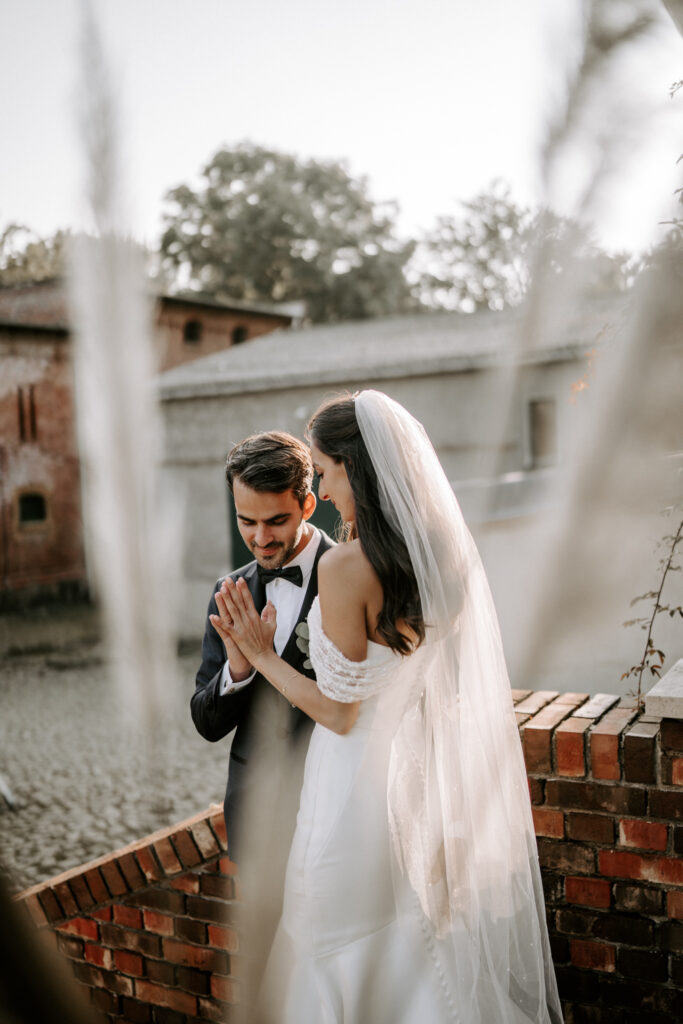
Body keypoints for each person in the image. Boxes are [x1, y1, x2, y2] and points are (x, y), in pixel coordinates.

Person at [217, 392, 563, 1024]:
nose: (321, 487)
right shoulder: (440, 553)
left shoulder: (346, 567)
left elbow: (343, 713)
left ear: (356, 468)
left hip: (347, 782)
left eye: (323, 471)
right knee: (410, 932)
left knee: (337, 934)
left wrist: (263, 657)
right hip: (409, 774)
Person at [190, 430, 335, 1010]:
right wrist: (239, 668)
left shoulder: (350, 573)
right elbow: (205, 720)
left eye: (274, 520)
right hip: (260, 815)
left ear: (308, 501)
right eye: (245, 521)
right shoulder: (230, 593)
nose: (259, 537)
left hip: (337, 808)